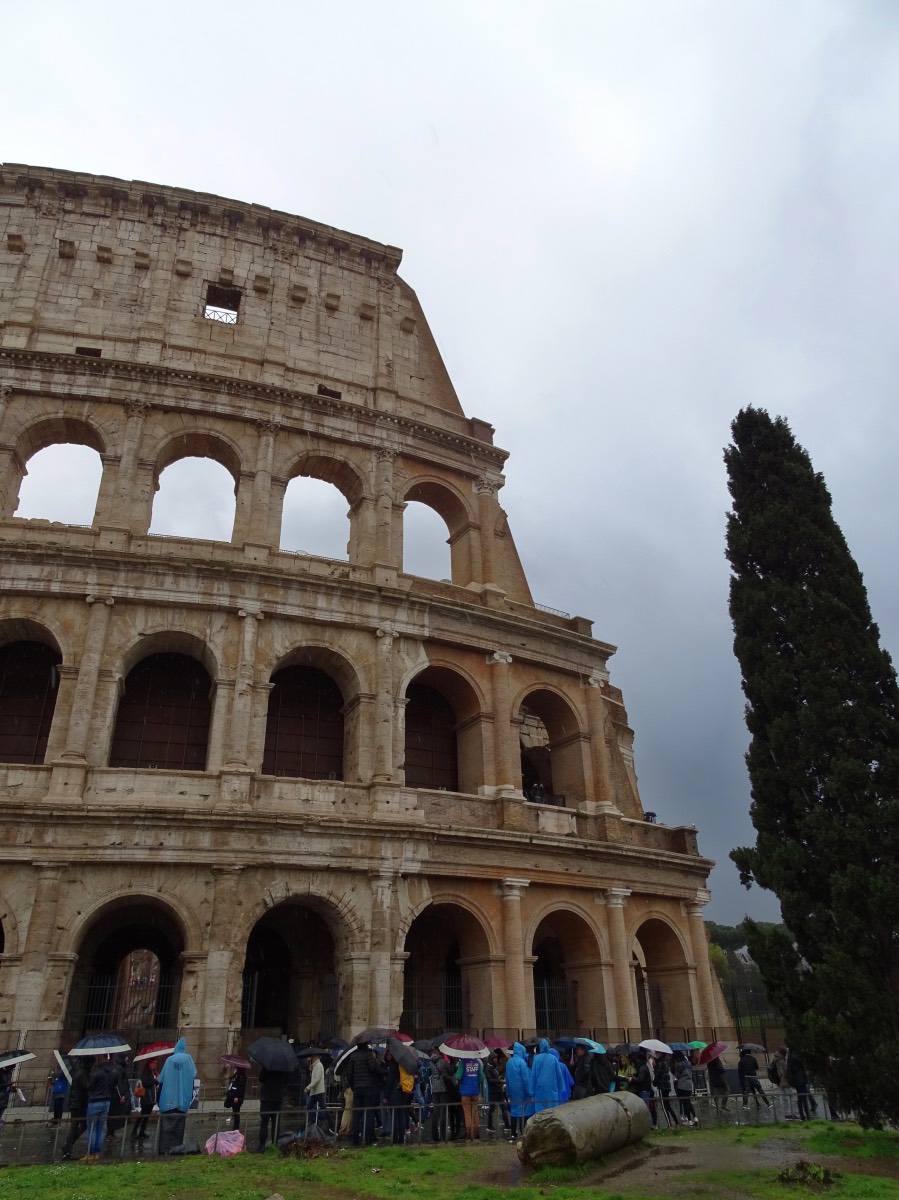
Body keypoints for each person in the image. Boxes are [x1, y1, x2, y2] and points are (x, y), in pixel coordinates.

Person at [157, 1037, 197, 1154]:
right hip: (182, 1101)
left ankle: (164, 1149)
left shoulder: (169, 1060)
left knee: (166, 1127)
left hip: (168, 1100)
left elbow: (161, 1079)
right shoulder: (188, 1059)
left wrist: (158, 1098)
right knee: (179, 1128)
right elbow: (193, 1075)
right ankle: (176, 1149)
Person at [344, 1042, 384, 1147]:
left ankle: (355, 1139)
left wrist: (353, 1086)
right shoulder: (368, 1055)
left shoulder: (353, 1056)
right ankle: (368, 1138)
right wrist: (383, 1071)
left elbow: (350, 1073)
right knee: (369, 1113)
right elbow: (372, 1068)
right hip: (368, 1087)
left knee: (357, 1114)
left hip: (357, 1088)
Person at [84, 1054, 120, 1160]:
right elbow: (114, 1086)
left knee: (92, 1129)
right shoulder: (114, 1072)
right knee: (100, 1128)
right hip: (106, 1101)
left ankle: (91, 1153)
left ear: (102, 1057)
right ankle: (97, 1152)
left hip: (95, 1101)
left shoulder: (97, 1072)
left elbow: (89, 1086)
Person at [62, 1058, 91, 1159]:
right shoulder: (83, 1074)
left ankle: (68, 1147)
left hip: (75, 1103)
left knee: (76, 1126)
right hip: (79, 1104)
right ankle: (68, 1147)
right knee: (78, 1126)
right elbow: (87, 1087)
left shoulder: (78, 1072)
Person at [504, 1042, 533, 1141]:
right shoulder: (522, 1063)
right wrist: (530, 1093)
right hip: (522, 1092)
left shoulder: (509, 1062)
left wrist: (508, 1092)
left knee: (514, 1112)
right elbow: (526, 1080)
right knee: (523, 1112)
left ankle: (513, 1133)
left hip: (512, 1092)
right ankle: (523, 1132)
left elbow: (507, 1079)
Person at [256, 1066, 289, 1152]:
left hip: (267, 1098)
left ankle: (262, 1144)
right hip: (278, 1098)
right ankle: (275, 1143)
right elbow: (286, 1081)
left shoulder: (267, 1066)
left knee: (264, 1122)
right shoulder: (284, 1067)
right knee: (276, 1123)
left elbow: (261, 1078)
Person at [453, 1054, 484, 1140]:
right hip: (475, 1091)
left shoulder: (463, 1063)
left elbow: (458, 1076)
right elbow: (482, 1077)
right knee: (475, 1112)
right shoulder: (477, 1062)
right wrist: (475, 1082)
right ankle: (477, 1133)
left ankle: (469, 1133)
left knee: (467, 1113)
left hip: (465, 1092)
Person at [532, 1039, 565, 1111]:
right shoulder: (554, 1058)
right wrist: (561, 1088)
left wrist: (531, 1092)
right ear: (548, 1047)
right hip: (552, 1091)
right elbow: (559, 1075)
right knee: (552, 1111)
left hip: (539, 1091)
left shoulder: (536, 1059)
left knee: (540, 1112)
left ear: (540, 1047)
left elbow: (533, 1076)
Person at [132, 1057, 159, 1143]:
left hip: (152, 1097)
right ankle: (134, 1131)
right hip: (147, 1097)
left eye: (156, 1063)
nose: (155, 1065)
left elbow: (154, 1084)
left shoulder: (153, 1072)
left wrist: (156, 1080)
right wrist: (154, 1080)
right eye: (154, 1063)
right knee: (143, 1115)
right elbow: (145, 1083)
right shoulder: (145, 1072)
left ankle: (142, 1132)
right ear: (150, 1063)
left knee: (147, 1116)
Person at [738, 1047, 770, 1113]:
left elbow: (740, 1070)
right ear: (750, 1052)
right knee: (760, 1090)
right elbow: (756, 1067)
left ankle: (745, 1105)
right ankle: (768, 1103)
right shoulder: (753, 1059)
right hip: (753, 1076)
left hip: (746, 1077)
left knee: (746, 1092)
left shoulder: (742, 1060)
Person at [628, 1051, 656, 1128]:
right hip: (644, 1090)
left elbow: (640, 1079)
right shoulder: (642, 1067)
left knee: (645, 1108)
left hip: (644, 1090)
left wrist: (632, 1078)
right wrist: (634, 1075)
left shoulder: (642, 1068)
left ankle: (648, 1125)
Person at [484, 1053, 510, 1133]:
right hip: (493, 1092)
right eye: (494, 1058)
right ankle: (489, 1125)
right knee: (491, 1109)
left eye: (496, 1058)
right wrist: (499, 1080)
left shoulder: (494, 1068)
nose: (496, 1060)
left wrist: (499, 1079)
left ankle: (507, 1124)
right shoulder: (488, 1069)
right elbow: (489, 1080)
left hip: (499, 1091)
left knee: (504, 1108)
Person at [786, 1051, 814, 1121]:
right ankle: (808, 1116)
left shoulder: (790, 1056)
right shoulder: (796, 1056)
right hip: (800, 1079)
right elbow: (803, 1065)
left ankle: (802, 1116)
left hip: (796, 1079)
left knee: (800, 1098)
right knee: (803, 1097)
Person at [672, 1050, 697, 1127]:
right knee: (688, 1102)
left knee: (685, 1103)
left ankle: (689, 1120)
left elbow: (676, 1076)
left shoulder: (679, 1065)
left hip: (682, 1086)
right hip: (689, 1085)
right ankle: (695, 1117)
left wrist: (674, 1078)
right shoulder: (688, 1063)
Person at [653, 1053, 679, 1128]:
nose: (655, 1054)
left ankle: (669, 1125)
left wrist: (654, 1083)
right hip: (667, 1086)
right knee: (668, 1106)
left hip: (662, 1086)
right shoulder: (665, 1062)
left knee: (664, 1107)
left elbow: (657, 1075)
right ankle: (677, 1122)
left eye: (657, 1053)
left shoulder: (659, 1063)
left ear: (660, 1054)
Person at [771, 1046, 796, 1119]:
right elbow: (785, 1072)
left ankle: (786, 1113)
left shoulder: (775, 1059)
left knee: (783, 1097)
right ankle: (790, 1113)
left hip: (779, 1081)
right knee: (790, 1097)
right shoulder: (781, 1061)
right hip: (785, 1081)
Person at [304, 1053, 328, 1130]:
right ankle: (312, 1122)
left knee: (321, 1107)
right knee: (310, 1107)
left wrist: (308, 1087)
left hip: (318, 1091)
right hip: (315, 1091)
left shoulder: (318, 1065)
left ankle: (327, 1121)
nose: (311, 1058)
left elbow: (316, 1079)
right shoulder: (314, 1066)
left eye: (312, 1056)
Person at [707, 1052, 730, 1117]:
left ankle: (718, 1109)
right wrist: (723, 1069)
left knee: (716, 1095)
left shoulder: (709, 1061)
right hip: (720, 1079)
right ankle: (723, 1105)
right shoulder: (716, 1059)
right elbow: (721, 1069)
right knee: (727, 1090)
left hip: (713, 1079)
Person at [224, 1065, 247, 1130]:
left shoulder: (242, 1076)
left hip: (237, 1097)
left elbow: (241, 1087)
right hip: (233, 1095)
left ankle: (236, 1127)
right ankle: (235, 1127)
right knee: (234, 1111)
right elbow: (234, 1082)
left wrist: (237, 1097)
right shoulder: (237, 1074)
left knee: (236, 1112)